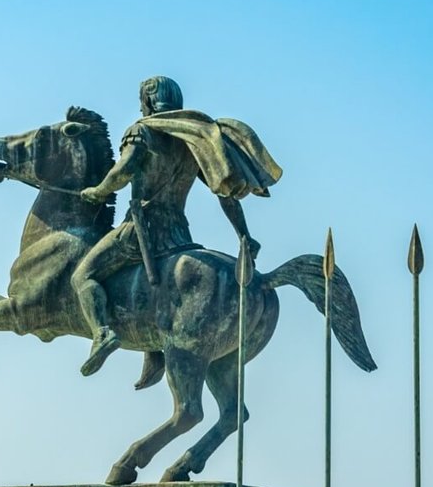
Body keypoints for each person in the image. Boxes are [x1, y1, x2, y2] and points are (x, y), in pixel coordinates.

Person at [73, 76, 282, 380]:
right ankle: (155, 351)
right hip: (178, 235)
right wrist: (243, 234)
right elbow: (225, 193)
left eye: (142, 101)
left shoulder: (141, 130)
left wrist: (99, 190)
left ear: (148, 100)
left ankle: (102, 333)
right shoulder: (190, 140)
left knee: (83, 276)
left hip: (140, 231)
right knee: (156, 288)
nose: (141, 107)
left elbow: (124, 170)